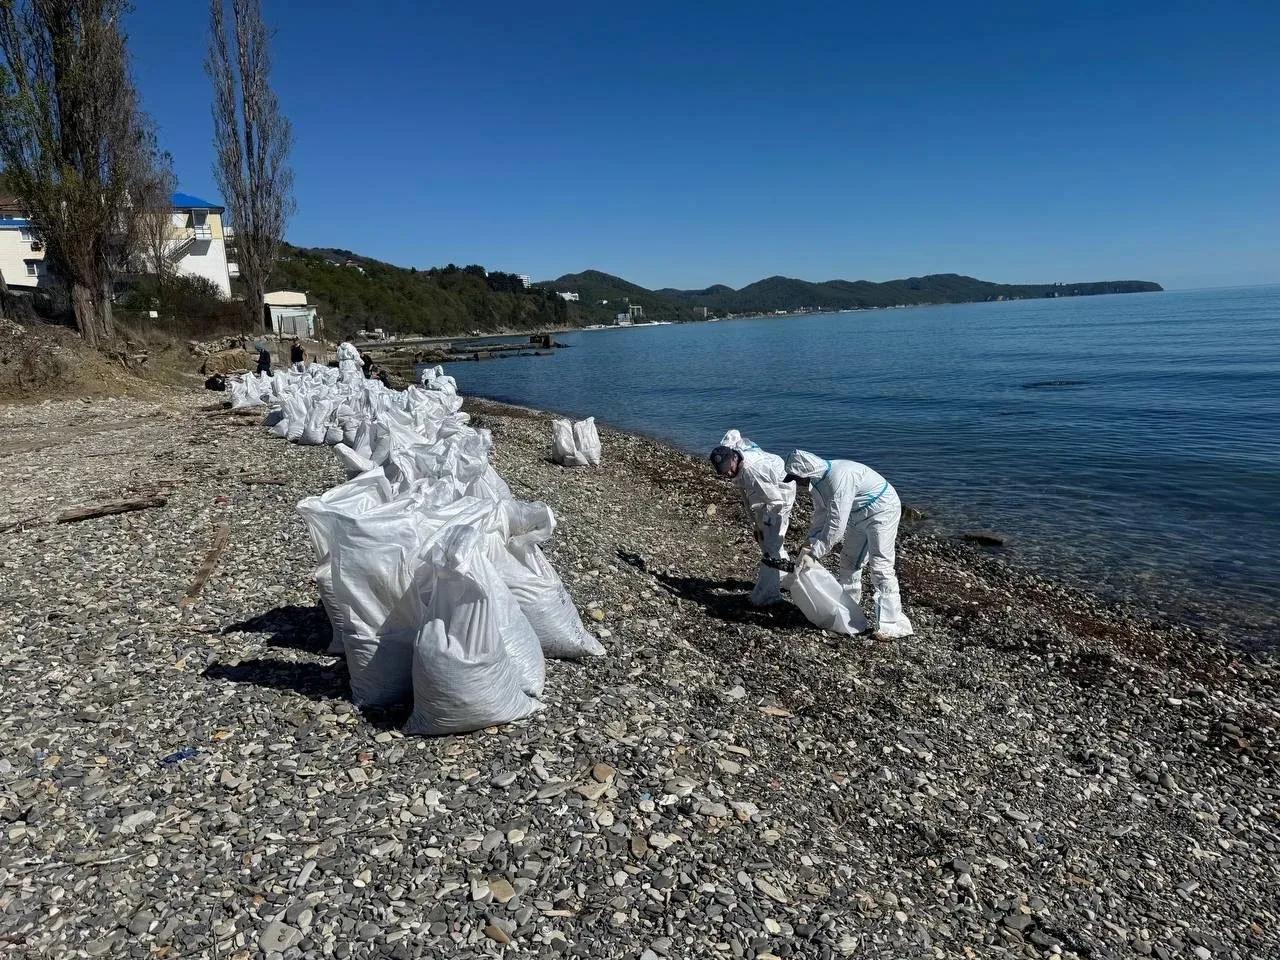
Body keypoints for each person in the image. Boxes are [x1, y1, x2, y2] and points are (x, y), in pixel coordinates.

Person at [784, 449, 913, 638]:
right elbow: (821, 515)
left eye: (796, 478)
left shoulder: (838, 478)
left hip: (882, 511)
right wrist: (809, 543)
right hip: (857, 514)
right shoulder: (818, 482)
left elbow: (836, 525)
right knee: (849, 561)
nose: (797, 482)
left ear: (806, 472)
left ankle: (891, 624)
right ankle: (848, 611)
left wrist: (815, 553)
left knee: (880, 565)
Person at [709, 430, 796, 606]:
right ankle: (785, 578)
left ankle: (769, 595)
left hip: (781, 493)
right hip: (762, 494)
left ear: (734, 459)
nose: (727, 475)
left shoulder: (754, 472)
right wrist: (756, 526)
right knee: (764, 539)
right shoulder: (733, 452)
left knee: (770, 545)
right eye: (723, 472)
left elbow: (775, 503)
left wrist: (766, 525)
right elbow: (734, 433)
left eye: (728, 470)